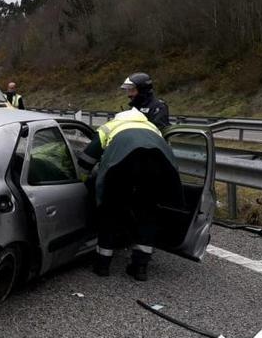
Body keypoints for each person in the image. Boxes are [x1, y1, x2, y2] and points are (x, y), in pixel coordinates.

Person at [78, 108, 183, 281]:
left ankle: (102, 266)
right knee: (147, 215)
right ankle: (140, 268)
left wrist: (82, 179)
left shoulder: (111, 127)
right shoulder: (152, 128)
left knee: (110, 215)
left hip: (121, 171)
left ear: (118, 117)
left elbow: (87, 159)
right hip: (154, 173)